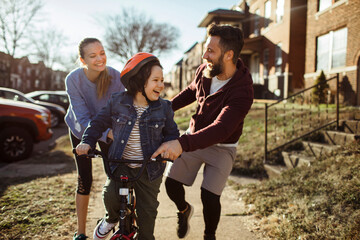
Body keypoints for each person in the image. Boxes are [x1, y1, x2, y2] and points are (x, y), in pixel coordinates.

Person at [151, 24, 254, 240]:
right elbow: (191, 91)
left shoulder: (242, 90)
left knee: (209, 196)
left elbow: (222, 129)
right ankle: (183, 210)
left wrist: (181, 144)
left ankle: (209, 235)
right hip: (194, 138)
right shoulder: (205, 71)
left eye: (210, 51)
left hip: (223, 147)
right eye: (205, 49)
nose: (204, 56)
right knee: (171, 183)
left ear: (229, 55)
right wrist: (165, 108)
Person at [76, 52, 180, 240]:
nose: (161, 85)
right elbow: (97, 123)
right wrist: (86, 142)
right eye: (155, 80)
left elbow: (172, 134)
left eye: (162, 80)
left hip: (149, 169)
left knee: (147, 218)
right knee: (111, 196)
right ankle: (110, 219)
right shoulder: (118, 101)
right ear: (139, 81)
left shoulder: (164, 107)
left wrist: (170, 148)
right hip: (121, 163)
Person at [65, 37, 125, 240]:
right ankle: (80, 233)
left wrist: (113, 131)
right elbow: (82, 119)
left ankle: (114, 219)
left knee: (116, 174)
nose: (100, 59)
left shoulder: (116, 77)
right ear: (83, 60)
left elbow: (119, 110)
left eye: (102, 53)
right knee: (85, 178)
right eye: (93, 56)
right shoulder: (73, 80)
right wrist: (104, 134)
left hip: (107, 128)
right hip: (80, 130)